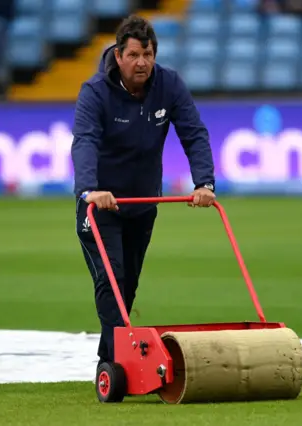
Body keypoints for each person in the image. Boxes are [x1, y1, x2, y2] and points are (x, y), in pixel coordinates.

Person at [71, 15, 216, 371]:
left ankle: (113, 360)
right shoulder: (95, 93)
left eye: (148, 54)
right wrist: (90, 189)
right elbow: (85, 140)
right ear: (118, 55)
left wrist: (205, 182)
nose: (142, 62)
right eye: (134, 55)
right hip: (99, 207)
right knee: (112, 278)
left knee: (128, 286)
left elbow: (194, 133)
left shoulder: (169, 85)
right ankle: (119, 364)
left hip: (142, 204)